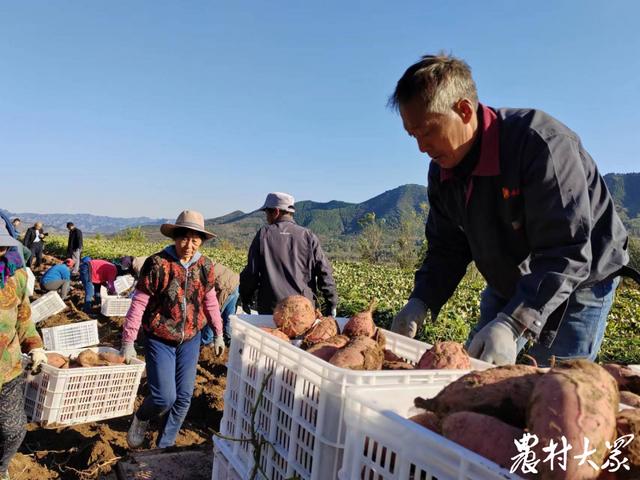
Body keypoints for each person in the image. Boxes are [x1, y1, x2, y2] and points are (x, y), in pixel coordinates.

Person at [389, 54, 634, 367]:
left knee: (552, 390)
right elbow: (446, 248)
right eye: (413, 136)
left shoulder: (540, 145)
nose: (422, 147)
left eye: (427, 132)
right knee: (477, 381)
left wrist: (513, 324)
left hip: (580, 282)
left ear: (463, 110)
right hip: (511, 280)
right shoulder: (443, 171)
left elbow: (568, 250)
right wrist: (421, 299)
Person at [119, 210, 225, 449]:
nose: (189, 245)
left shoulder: (205, 266)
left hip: (190, 338)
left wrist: (218, 332)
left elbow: (210, 301)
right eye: (184, 238)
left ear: (202, 240)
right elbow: (139, 302)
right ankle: (142, 417)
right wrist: (128, 340)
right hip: (160, 336)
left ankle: (164, 445)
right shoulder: (157, 263)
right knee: (164, 396)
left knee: (184, 397)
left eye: (195, 239)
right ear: (175, 237)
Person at [239, 192, 338, 316]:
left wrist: (246, 298)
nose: (266, 217)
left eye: (267, 213)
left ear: (275, 212)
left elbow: (251, 273)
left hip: (272, 309)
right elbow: (324, 272)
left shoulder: (264, 234)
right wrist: (331, 303)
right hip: (303, 309)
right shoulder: (308, 236)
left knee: (271, 336)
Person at [0, 223, 47, 480]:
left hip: (8, 368)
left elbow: (24, 318)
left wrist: (36, 346)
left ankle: (1, 466)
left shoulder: (15, 277)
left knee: (13, 429)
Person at [201, 262, 240, 346]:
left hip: (225, 286)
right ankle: (229, 340)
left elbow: (209, 308)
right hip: (235, 283)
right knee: (229, 315)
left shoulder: (199, 269)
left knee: (213, 315)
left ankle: (207, 342)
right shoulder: (206, 262)